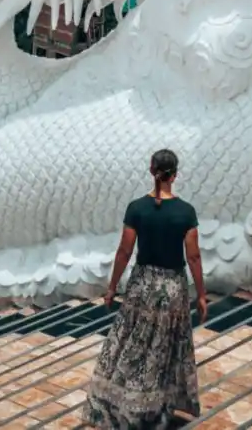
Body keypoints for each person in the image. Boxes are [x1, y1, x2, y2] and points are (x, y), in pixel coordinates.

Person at [85, 148, 207, 428]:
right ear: (174, 175)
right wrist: (201, 294)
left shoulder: (136, 208)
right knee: (164, 348)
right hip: (172, 288)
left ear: (152, 171)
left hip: (142, 286)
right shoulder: (185, 212)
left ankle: (124, 402)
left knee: (131, 343)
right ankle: (157, 407)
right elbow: (193, 256)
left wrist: (112, 287)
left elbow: (124, 251)